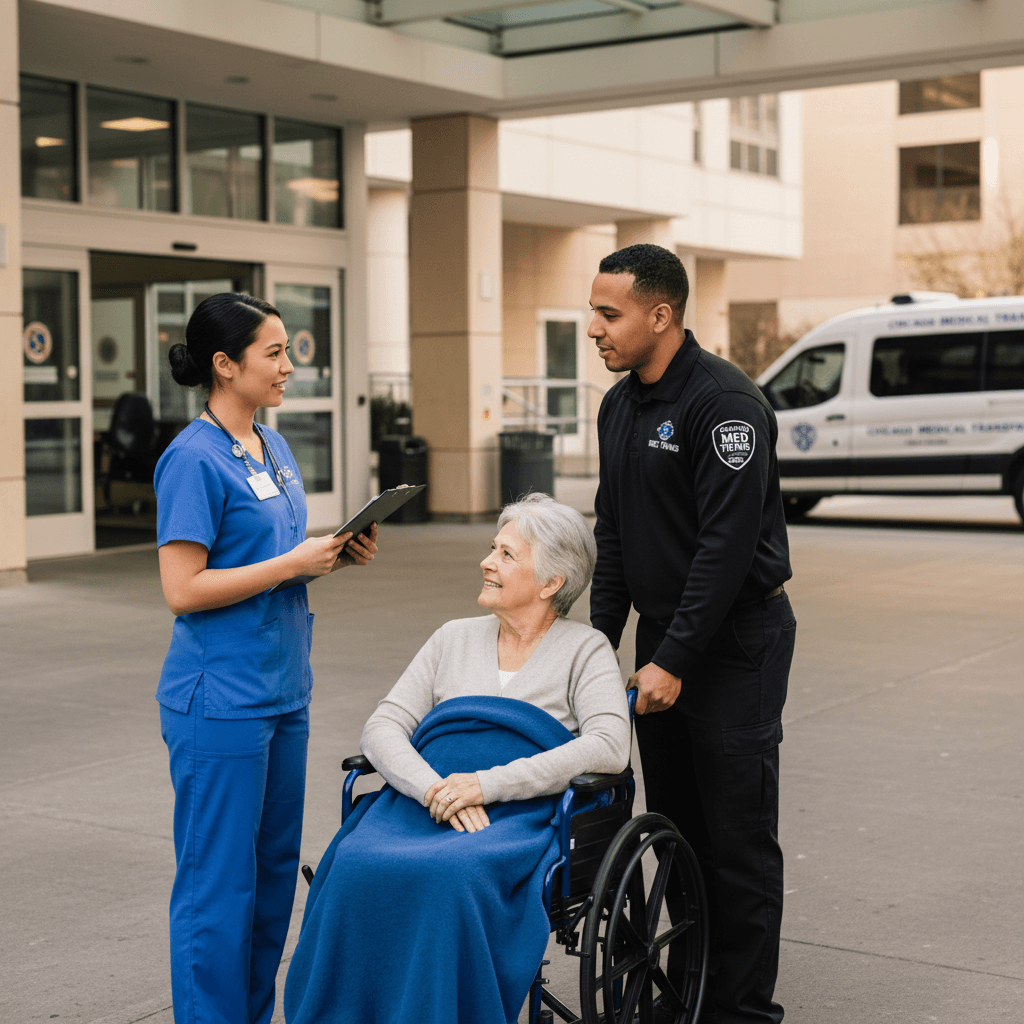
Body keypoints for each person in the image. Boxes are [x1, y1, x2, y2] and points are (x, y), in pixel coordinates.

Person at [284, 493, 631, 1024]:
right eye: (493, 548)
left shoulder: (586, 650)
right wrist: (432, 788)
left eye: (507, 555)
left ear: (550, 583)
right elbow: (383, 726)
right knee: (354, 863)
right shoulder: (452, 638)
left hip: (515, 815)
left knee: (454, 876)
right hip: (423, 800)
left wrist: (485, 785)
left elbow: (609, 745)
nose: (487, 562)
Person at [154, 292, 379, 1024]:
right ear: (225, 365)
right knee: (218, 887)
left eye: (288, 351)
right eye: (274, 353)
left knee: (274, 876)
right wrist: (291, 565)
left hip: (285, 690)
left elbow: (271, 557)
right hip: (219, 700)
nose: (290, 366)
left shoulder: (272, 447)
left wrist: (332, 558)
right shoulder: (190, 459)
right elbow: (182, 589)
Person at [587, 245, 796, 1024]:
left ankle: (741, 1012)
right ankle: (691, 991)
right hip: (664, 642)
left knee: (737, 839)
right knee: (676, 827)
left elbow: (726, 548)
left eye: (609, 314)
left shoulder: (725, 405)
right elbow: (614, 534)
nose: (594, 329)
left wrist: (674, 657)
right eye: (595, 312)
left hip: (736, 642)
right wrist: (594, 642)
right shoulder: (619, 406)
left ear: (661, 315)